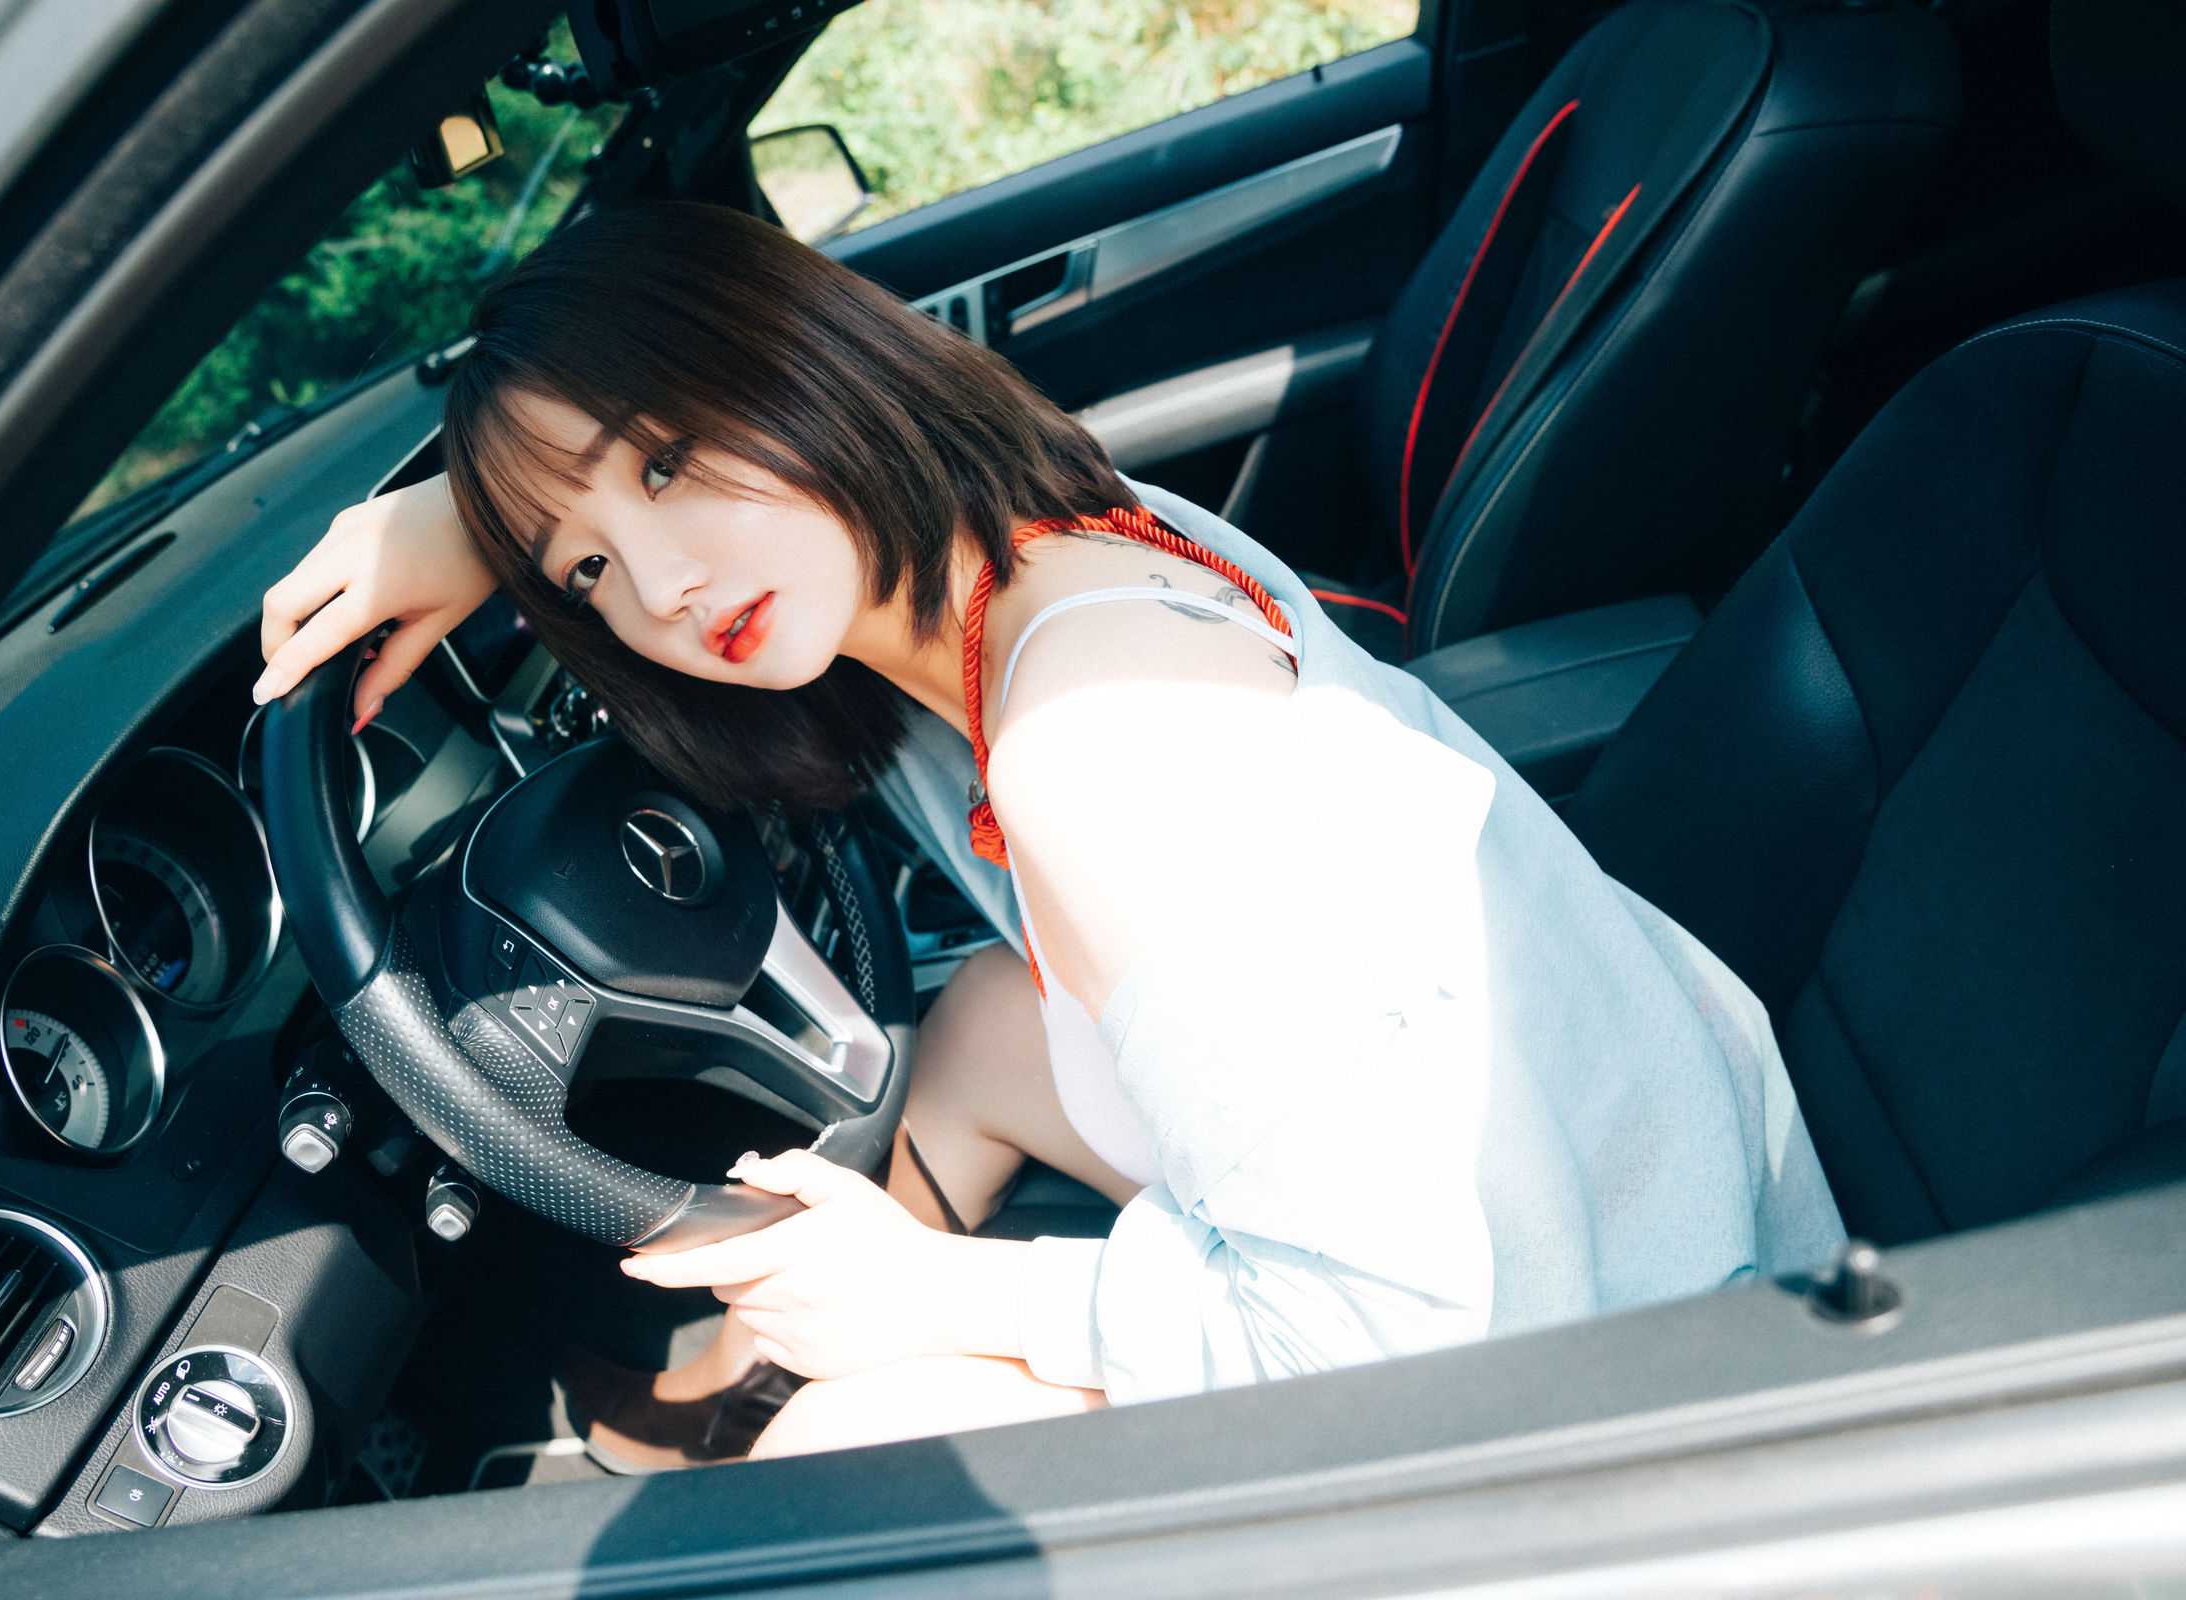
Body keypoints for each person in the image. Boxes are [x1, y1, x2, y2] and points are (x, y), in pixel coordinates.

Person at [251, 200, 1845, 1469]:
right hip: (1651, 1161)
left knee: (840, 1456)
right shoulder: (1023, 542)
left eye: (666, 462)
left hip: (1628, 1369)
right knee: (989, 1025)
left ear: (796, 357)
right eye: (586, 574)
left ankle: (770, 1431)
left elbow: (1393, 1341)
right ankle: (727, 1391)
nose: (662, 588)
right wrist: (490, 517)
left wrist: (939, 1299)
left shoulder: (1093, 744)